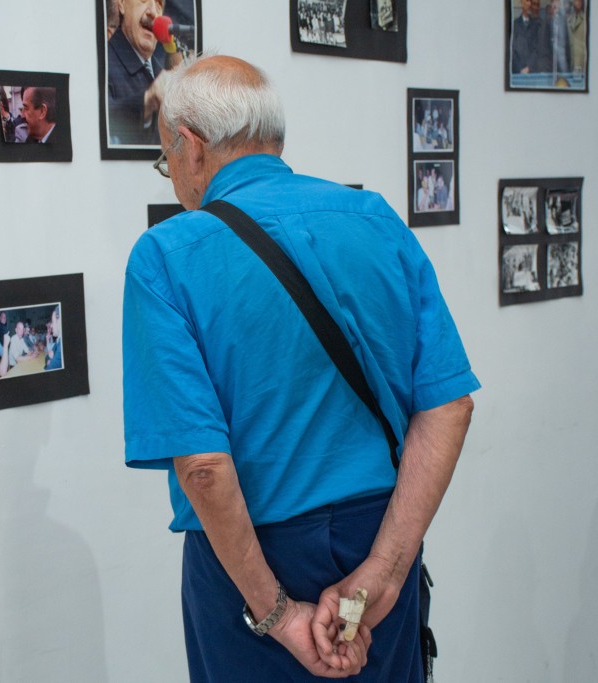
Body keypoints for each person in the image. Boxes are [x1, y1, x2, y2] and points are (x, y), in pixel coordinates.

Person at [122, 55, 478, 681]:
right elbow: (449, 405)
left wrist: (278, 614)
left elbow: (204, 467)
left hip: (251, 559)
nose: (172, 175)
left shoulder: (166, 255)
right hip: (382, 535)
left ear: (192, 147)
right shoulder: (375, 219)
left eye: (166, 158)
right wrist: (384, 575)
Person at [106, 0, 169, 145]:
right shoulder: (103, 61)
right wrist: (147, 101)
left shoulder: (163, 72)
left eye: (159, 4)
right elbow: (97, 120)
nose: (153, 12)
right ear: (121, 4)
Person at [511, 0, 548, 74]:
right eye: (527, 1)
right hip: (517, 72)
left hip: (532, 71)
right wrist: (519, 69)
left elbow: (537, 49)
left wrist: (529, 67)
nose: (529, 4)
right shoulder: (515, 25)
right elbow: (512, 49)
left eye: (531, 2)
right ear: (521, 3)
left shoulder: (535, 25)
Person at [567, 0, 587, 73]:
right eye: (575, 1)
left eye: (579, 1)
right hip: (571, 62)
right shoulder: (569, 20)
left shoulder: (586, 19)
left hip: (582, 61)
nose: (577, 3)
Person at [45, 305, 63, 371]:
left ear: (60, 321)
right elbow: (47, 355)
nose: (51, 327)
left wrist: (49, 360)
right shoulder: (59, 339)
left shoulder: (61, 344)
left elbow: (48, 369)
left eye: (52, 322)